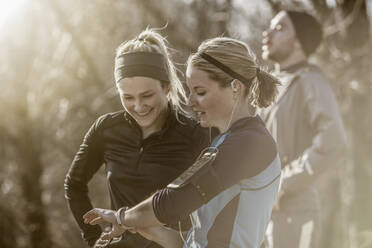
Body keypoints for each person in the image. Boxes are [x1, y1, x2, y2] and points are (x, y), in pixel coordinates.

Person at [82, 37, 282, 248]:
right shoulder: (225, 141)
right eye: (190, 90)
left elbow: (175, 200)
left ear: (236, 87)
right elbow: (195, 240)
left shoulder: (249, 144)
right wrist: (149, 229)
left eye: (200, 92)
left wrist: (124, 217)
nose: (190, 101)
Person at [64, 29, 211, 248]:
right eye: (128, 97)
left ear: (167, 88)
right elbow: (74, 184)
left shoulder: (195, 133)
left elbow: (218, 201)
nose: (138, 106)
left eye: (147, 95)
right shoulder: (106, 129)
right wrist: (93, 237)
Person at [261, 10, 347, 248]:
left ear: (298, 41)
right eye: (269, 27)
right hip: (261, 212)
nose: (267, 34)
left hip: (295, 213)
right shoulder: (270, 88)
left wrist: (285, 182)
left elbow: (333, 140)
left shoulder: (311, 80)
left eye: (280, 28)